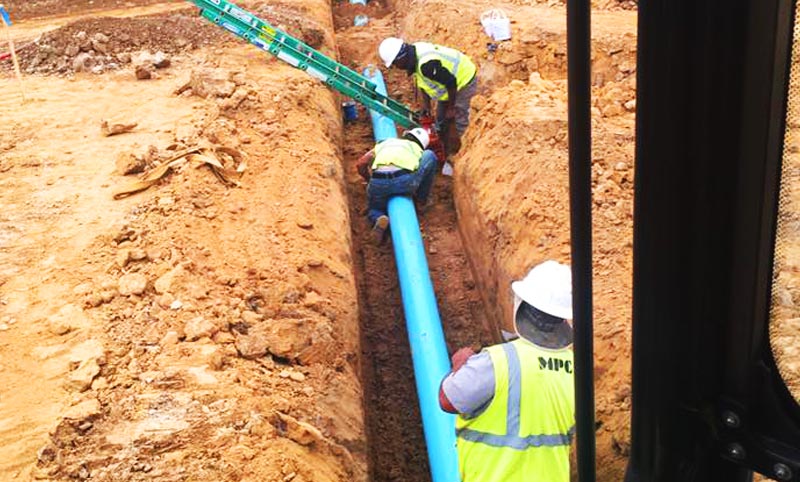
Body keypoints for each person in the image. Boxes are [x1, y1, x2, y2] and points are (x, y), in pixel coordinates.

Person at [439, 260, 575, 482]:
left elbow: (447, 400)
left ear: (522, 304)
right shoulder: (576, 370)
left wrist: (458, 366)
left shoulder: (498, 361)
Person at [378, 37, 478, 154]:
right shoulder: (414, 54)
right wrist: (426, 106)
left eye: (395, 63)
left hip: (463, 79)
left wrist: (451, 108)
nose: (396, 67)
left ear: (401, 57)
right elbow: (422, 82)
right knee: (441, 120)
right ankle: (444, 149)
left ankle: (465, 153)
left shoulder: (427, 65)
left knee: (460, 119)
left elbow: (451, 82)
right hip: (447, 86)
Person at [356, 127, 438, 243]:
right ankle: (421, 201)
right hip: (404, 181)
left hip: (379, 182)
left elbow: (361, 163)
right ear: (422, 144)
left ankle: (378, 217)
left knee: (374, 208)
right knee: (430, 155)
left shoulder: (385, 143)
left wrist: (370, 181)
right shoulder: (417, 149)